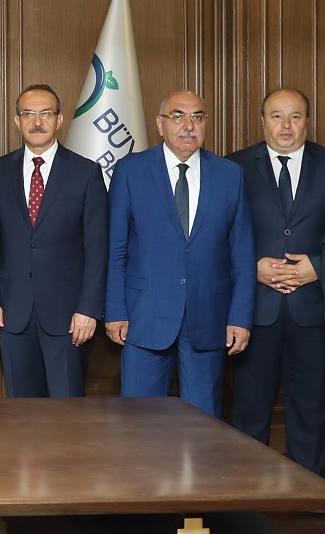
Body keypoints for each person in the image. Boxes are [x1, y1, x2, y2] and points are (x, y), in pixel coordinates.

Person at [103, 91, 253, 418]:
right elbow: (115, 249)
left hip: (209, 317)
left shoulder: (230, 175)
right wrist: (115, 310)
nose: (188, 125)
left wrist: (240, 317)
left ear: (206, 124)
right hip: (144, 315)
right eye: (177, 116)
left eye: (197, 117)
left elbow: (242, 254)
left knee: (203, 425)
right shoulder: (130, 171)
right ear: (160, 124)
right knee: (139, 423)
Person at [225, 87, 325, 474]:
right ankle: (247, 494)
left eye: (295, 116)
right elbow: (215, 236)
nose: (286, 125)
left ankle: (309, 491)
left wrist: (318, 267)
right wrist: (251, 267)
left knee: (310, 410)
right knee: (248, 411)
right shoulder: (233, 167)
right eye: (276, 116)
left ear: (308, 121)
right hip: (254, 311)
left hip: (313, 311)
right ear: (262, 121)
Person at [0, 84, 108, 398]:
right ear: (17, 121)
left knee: (67, 411)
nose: (37, 121)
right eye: (28, 114)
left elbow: (97, 248)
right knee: (21, 412)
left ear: (59, 119)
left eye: (46, 113)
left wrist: (88, 309)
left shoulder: (86, 173)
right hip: (12, 313)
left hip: (69, 317)